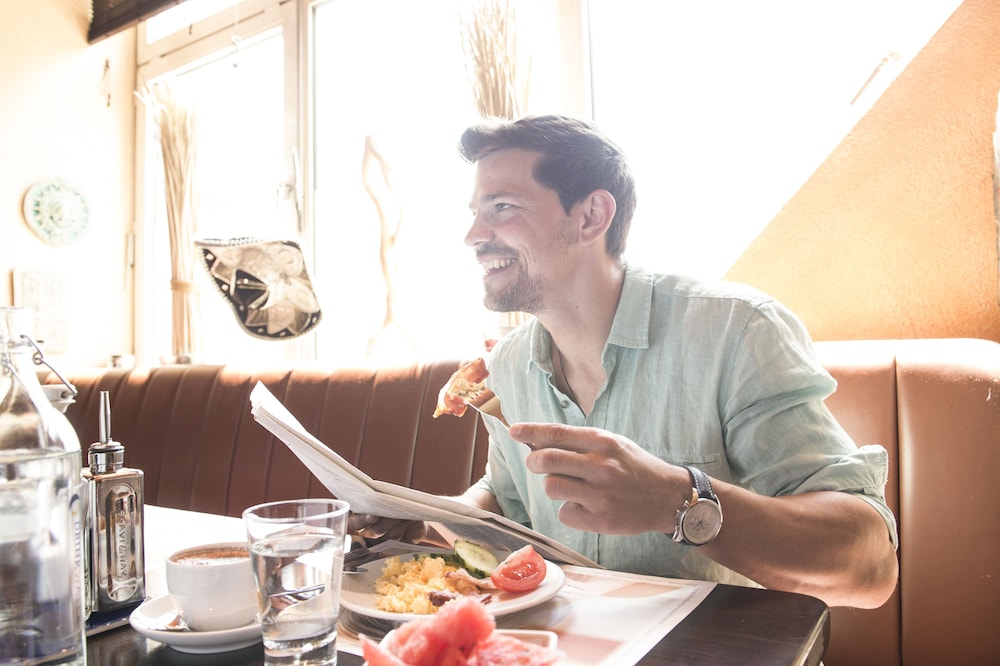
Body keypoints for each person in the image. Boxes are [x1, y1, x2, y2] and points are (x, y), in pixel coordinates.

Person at [357, 114, 899, 610]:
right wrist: (432, 518)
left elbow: (871, 566)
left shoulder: (738, 331)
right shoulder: (509, 366)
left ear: (591, 216)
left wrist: (675, 500)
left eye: (502, 207)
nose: (474, 235)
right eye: (476, 213)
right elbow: (507, 499)